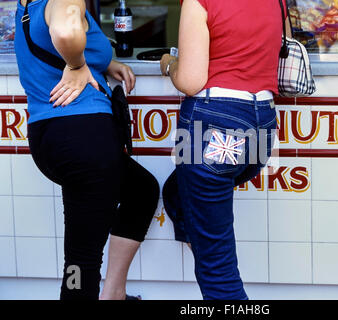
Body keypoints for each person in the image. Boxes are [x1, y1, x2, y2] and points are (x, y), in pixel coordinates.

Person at [15, 0, 160, 300]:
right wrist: (78, 66)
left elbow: (46, 40)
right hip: (83, 138)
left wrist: (102, 63)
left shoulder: (29, 4)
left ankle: (114, 294)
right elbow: (66, 32)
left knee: (141, 190)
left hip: (50, 136)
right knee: (81, 263)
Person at [160, 0, 288, 300]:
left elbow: (191, 81)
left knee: (218, 269)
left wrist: (169, 63)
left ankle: (211, 254)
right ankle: (206, 242)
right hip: (262, 123)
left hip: (212, 123)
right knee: (177, 194)